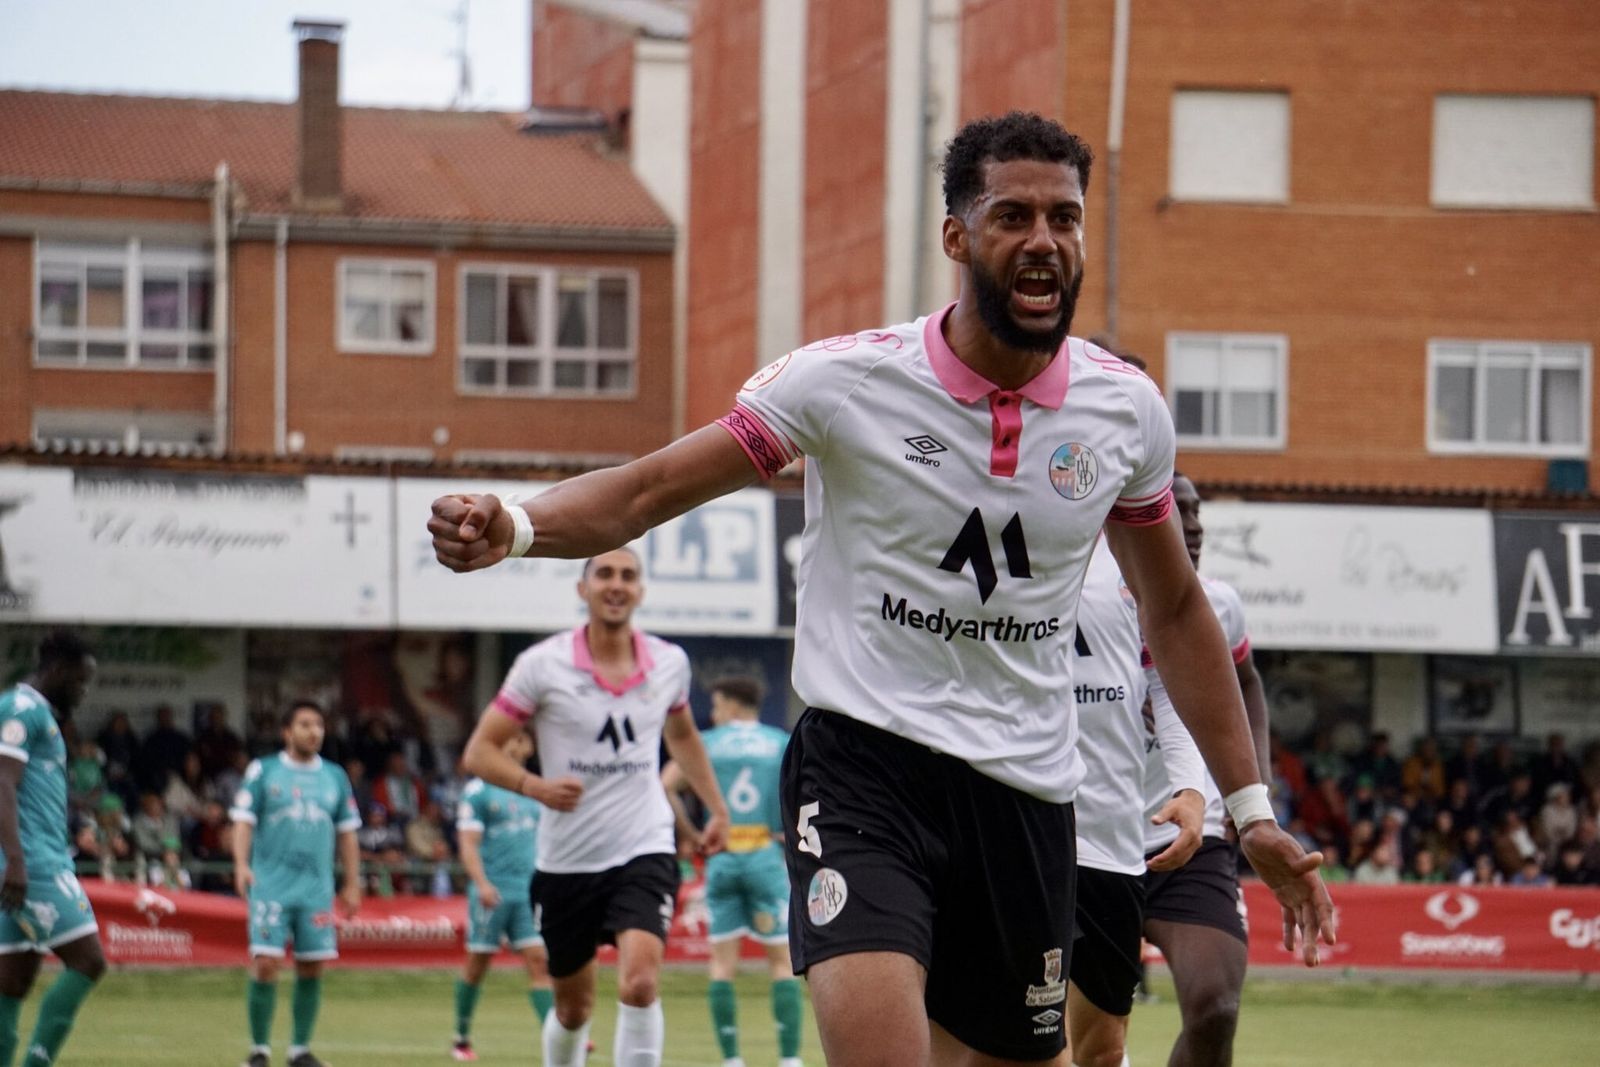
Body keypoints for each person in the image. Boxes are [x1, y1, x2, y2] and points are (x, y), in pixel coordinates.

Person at [430, 111, 1333, 1066]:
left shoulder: (1126, 411)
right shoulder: (844, 381)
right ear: (956, 236)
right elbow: (651, 488)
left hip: (1026, 794)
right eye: (1013, 215)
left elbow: (1178, 608)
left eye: (1064, 219)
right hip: (866, 770)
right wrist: (518, 526)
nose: (1043, 241)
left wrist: (1250, 808)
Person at [459, 547, 731, 1067]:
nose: (616, 584)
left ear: (640, 591)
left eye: (628, 575)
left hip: (644, 846)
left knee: (641, 983)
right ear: (582, 590)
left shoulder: (669, 663)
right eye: (604, 573)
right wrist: (534, 786)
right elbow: (479, 752)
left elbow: (683, 735)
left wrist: (716, 810)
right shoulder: (541, 665)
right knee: (572, 1008)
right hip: (566, 861)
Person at [1138, 473, 1275, 1067]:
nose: (1192, 526)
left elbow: (1247, 684)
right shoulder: (1079, 596)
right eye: (1177, 511)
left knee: (1215, 1007)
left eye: (1197, 514)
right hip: (1090, 839)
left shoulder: (1219, 604)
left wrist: (1252, 798)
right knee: (1074, 1033)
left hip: (1195, 842)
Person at [1065, 537, 1210, 1067]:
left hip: (1111, 837)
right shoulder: (1004, 532)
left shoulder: (1134, 560)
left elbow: (1169, 684)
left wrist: (1190, 788)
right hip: (1019, 826)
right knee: (1022, 1038)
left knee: (1102, 1050)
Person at [662, 676, 805, 1067]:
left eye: (719, 705)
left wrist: (690, 834)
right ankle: (790, 1059)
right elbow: (802, 790)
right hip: (764, 853)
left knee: (722, 965)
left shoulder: (708, 743)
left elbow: (665, 786)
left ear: (734, 707)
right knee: (781, 963)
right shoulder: (780, 742)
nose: (715, 713)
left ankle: (731, 1060)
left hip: (722, 856)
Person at [230, 701, 362, 1067]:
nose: (314, 731)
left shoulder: (335, 776)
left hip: (316, 889)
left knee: (312, 966)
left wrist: (352, 882)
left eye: (318, 724)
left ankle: (299, 1051)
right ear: (287, 732)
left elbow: (348, 834)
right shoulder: (264, 770)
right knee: (267, 963)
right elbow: (243, 821)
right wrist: (241, 865)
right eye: (305, 724)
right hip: (271, 884)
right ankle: (259, 1050)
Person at [0, 630, 106, 1066]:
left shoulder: (37, 713)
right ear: (58, 670)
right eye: (80, 681)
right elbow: (2, 780)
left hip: (29, 856)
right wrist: (18, 860)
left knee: (12, 981)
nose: (83, 692)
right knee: (88, 961)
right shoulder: (22, 709)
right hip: (32, 862)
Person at [450, 728, 552, 1062]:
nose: (516, 743)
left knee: (539, 962)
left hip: (528, 893)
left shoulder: (534, 790)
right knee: (477, 965)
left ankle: (555, 1034)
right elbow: (468, 844)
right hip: (492, 892)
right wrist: (481, 882)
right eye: (509, 737)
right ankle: (461, 1037)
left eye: (522, 738)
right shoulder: (478, 791)